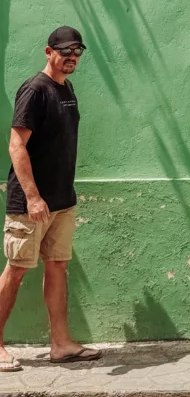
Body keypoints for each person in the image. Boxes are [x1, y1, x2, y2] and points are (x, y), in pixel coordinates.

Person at [0, 27, 101, 372]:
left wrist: (57, 198)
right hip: (32, 204)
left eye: (77, 52)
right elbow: (16, 146)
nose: (72, 58)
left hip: (61, 201)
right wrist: (33, 197)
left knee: (57, 267)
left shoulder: (66, 88)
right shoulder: (35, 90)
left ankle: (61, 344)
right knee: (15, 271)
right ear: (48, 51)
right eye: (65, 52)